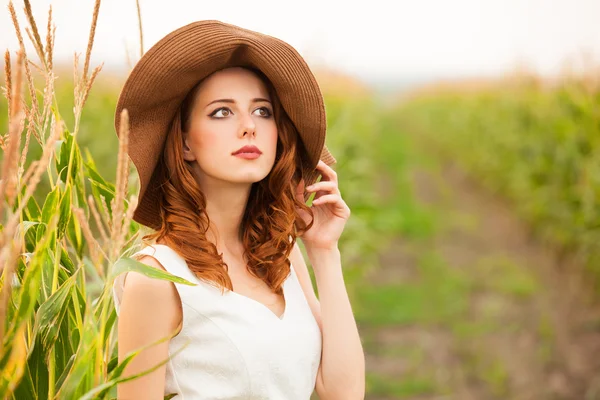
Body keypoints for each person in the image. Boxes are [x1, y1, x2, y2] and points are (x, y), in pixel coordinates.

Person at [111, 20, 365, 400]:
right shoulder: (156, 278)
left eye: (262, 112)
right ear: (184, 144)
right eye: (221, 113)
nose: (249, 127)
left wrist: (325, 252)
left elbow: (343, 394)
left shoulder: (281, 254)